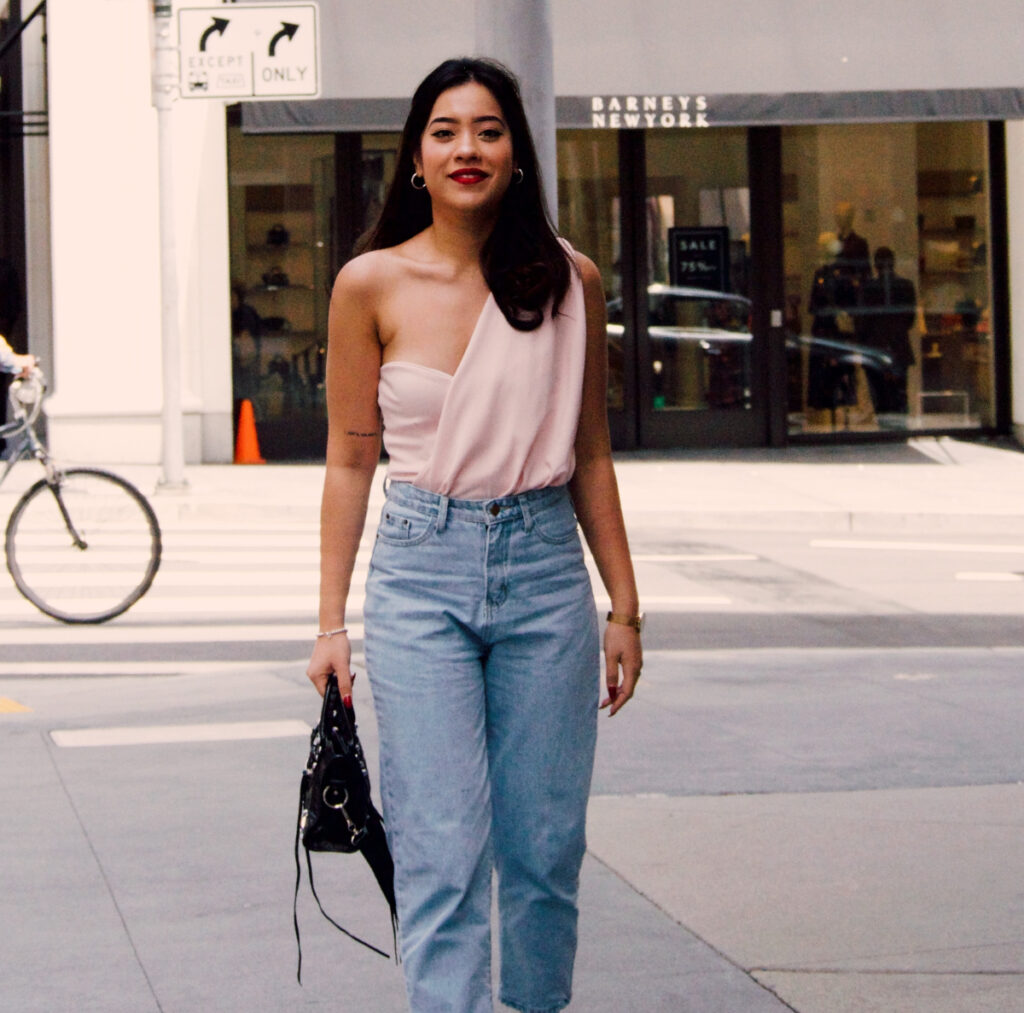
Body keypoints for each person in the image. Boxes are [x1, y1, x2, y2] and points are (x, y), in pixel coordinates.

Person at [306, 57, 642, 1012]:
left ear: (516, 152)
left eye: (488, 130)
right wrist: (330, 622)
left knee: (544, 846)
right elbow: (346, 459)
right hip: (418, 572)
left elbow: (591, 454)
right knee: (441, 846)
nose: (467, 148)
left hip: (545, 573)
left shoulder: (571, 280)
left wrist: (626, 605)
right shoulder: (369, 283)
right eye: (446, 130)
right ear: (417, 155)